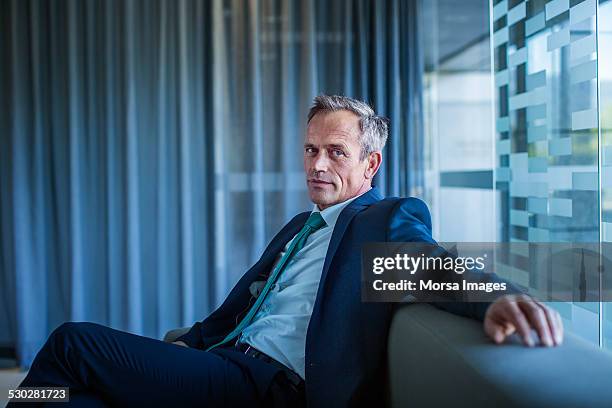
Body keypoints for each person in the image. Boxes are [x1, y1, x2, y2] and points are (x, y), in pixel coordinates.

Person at [11, 95, 563, 407]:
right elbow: (240, 310)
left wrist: (496, 296)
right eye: (310, 149)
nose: (317, 164)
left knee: (71, 343)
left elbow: (428, 262)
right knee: (72, 399)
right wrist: (189, 346)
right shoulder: (302, 225)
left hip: (267, 388)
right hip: (221, 362)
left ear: (370, 164)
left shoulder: (382, 219)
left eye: (336, 152)